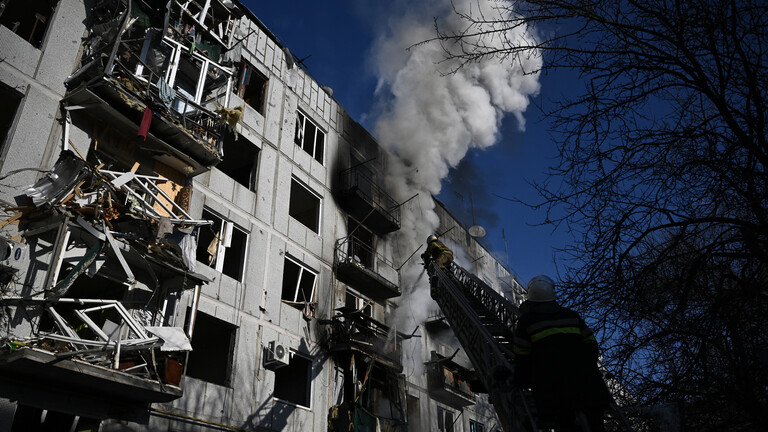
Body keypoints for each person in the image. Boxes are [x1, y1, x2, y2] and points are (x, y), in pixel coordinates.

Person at [513, 275, 612, 432]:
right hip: (589, 385)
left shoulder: (527, 322)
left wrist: (521, 382)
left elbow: (522, 356)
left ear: (530, 299)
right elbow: (592, 345)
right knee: (595, 425)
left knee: (565, 425)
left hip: (554, 391)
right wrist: (585, 366)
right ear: (553, 295)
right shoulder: (572, 315)